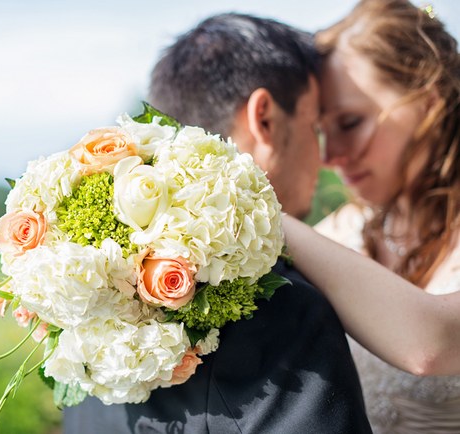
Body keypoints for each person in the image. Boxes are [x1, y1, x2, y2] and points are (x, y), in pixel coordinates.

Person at [63, 13, 372, 434]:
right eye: (314, 126)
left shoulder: (81, 319)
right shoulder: (285, 311)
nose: (326, 157)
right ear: (264, 119)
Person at [281, 0, 460, 432]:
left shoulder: (304, 239)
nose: (332, 158)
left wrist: (261, 216)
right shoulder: (339, 232)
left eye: (350, 122)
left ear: (426, 98)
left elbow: (433, 346)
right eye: (322, 132)